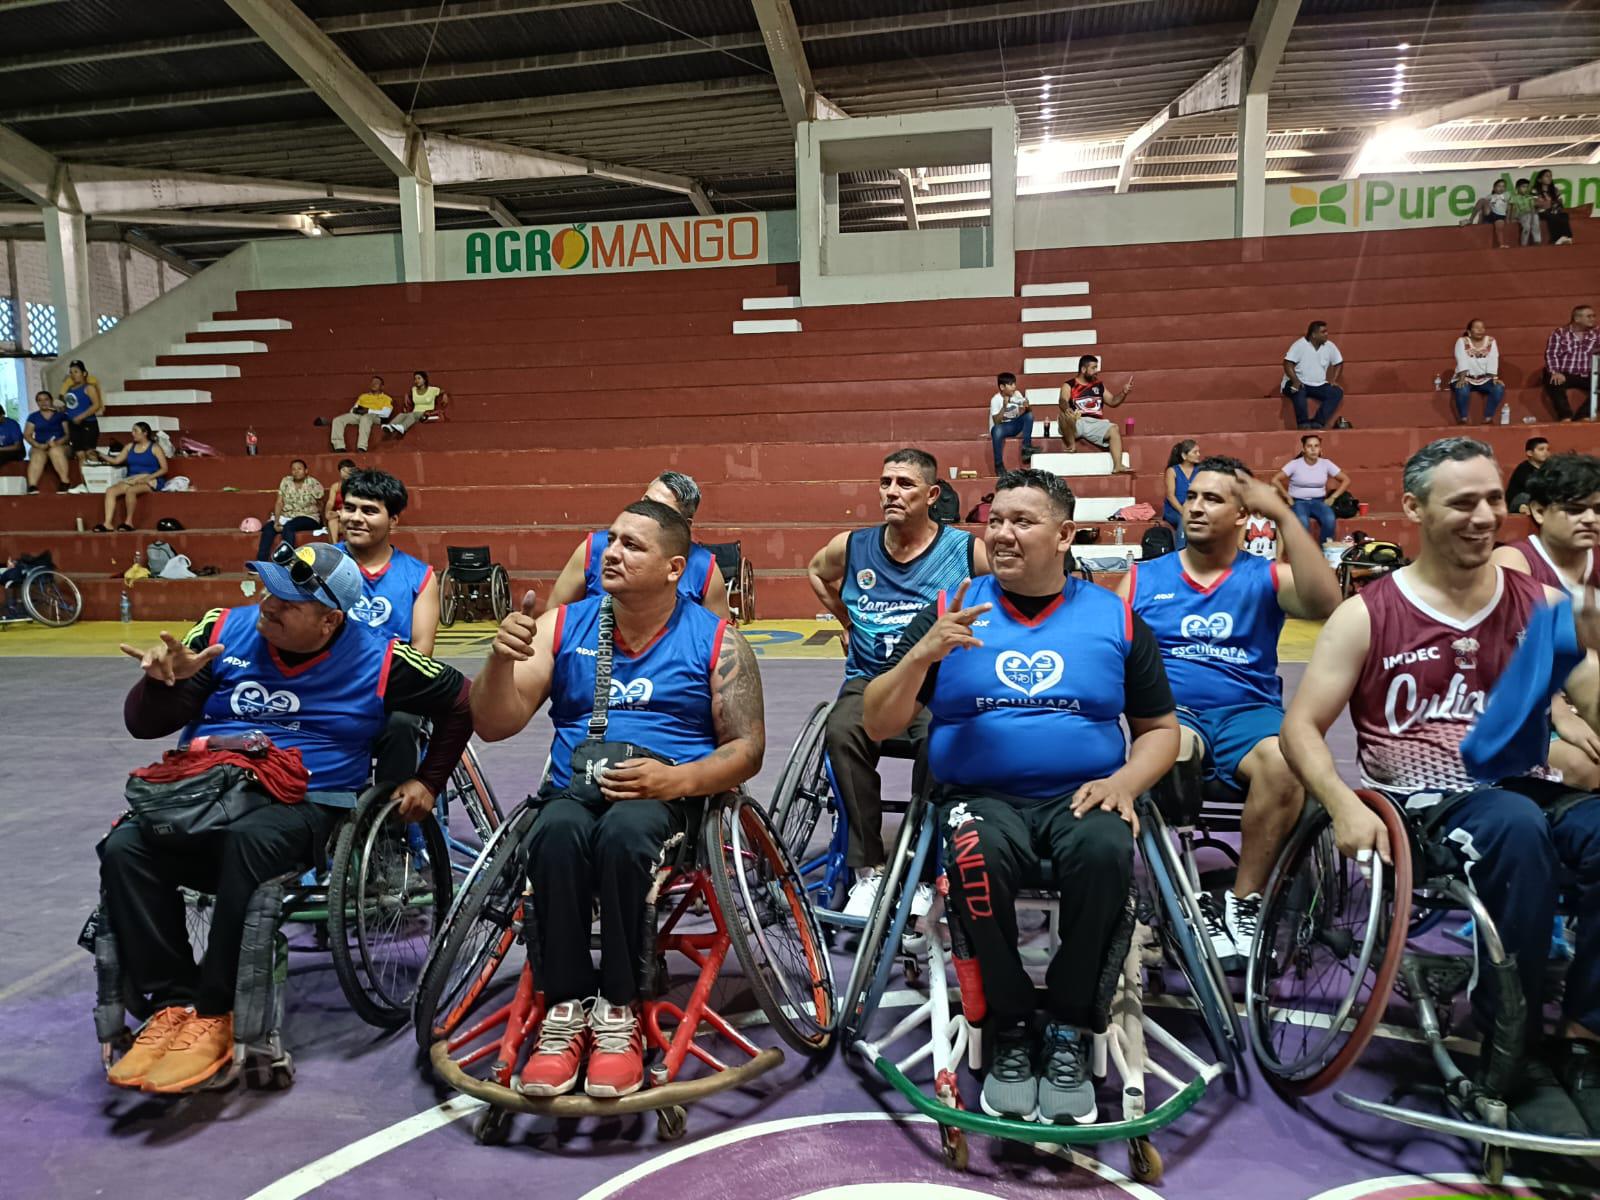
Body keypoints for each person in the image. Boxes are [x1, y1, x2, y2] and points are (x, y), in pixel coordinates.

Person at [1281, 436, 1600, 1136]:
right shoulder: (1367, 613)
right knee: (1514, 825)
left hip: (1524, 790)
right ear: (1414, 508)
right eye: (1463, 502)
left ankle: (1582, 1036)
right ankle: (1506, 1043)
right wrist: (1338, 802)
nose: (1485, 515)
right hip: (1421, 808)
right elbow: (1301, 726)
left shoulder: (1540, 604)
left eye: (1492, 498)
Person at [862, 468, 1179, 1124]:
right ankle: (1007, 1025)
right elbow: (876, 723)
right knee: (976, 855)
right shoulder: (950, 606)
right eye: (995, 519)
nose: (1001, 534)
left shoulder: (1114, 619)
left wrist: (1125, 782)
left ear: (1064, 535)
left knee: (1104, 851)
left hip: (1082, 794)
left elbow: (1160, 732)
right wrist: (920, 655)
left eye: (1021, 522)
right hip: (978, 797)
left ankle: (1068, 1024)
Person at [100, 543, 473, 1095]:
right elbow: (143, 724)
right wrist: (162, 685)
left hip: (310, 801)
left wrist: (427, 780)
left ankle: (214, 1010)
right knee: (126, 844)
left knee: (249, 841)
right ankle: (171, 1002)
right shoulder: (226, 630)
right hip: (210, 789)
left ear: (330, 620)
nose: (269, 606)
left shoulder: (384, 658)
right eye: (270, 591)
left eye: (289, 602)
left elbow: (462, 702)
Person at [471, 500, 765, 1099]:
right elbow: (493, 723)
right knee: (551, 834)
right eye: (610, 540)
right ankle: (566, 1009)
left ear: (673, 568)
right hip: (575, 790)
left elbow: (747, 749)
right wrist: (499, 663)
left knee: (625, 835)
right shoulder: (564, 625)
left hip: (668, 798)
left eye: (633, 545)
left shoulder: (718, 642)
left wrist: (674, 781)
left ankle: (620, 1009)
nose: (611, 552)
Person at [1119, 456, 1341, 970]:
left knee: (1285, 762)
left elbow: (1327, 601)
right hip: (1175, 715)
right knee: (1172, 752)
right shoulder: (1141, 579)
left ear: (1244, 516)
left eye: (1213, 499)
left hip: (1249, 714)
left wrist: (1286, 516)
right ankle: (1187, 892)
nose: (1195, 507)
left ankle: (1245, 902)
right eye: (1193, 496)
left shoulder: (1267, 576)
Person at [808, 448, 988, 918]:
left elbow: (1011, 588)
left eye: (905, 484)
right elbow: (815, 572)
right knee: (842, 731)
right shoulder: (852, 546)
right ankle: (870, 871)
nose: (891, 492)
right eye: (886, 482)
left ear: (931, 494)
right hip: (868, 679)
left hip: (936, 683)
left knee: (940, 742)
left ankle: (926, 871)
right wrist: (848, 621)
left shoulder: (964, 551)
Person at [1493, 453, 1600, 789]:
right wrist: (1560, 713)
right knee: (1587, 766)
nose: (1589, 519)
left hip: (1587, 696)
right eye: (1574, 509)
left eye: (1597, 509)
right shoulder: (1513, 561)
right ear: (1538, 511)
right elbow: (1506, 654)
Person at [335, 468, 441, 790]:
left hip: (388, 695)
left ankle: (391, 829)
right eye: (349, 507)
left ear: (393, 520)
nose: (355, 518)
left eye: (369, 511)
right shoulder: (318, 564)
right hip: (328, 689)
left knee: (404, 722)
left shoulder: (419, 577)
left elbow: (421, 653)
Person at [549, 471, 730, 620]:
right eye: (646, 502)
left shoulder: (704, 568)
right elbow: (553, 616)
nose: (646, 513)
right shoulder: (594, 548)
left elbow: (722, 642)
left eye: (661, 511)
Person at [1059, 356, 1132, 473]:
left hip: (1095, 423)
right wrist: (1067, 408)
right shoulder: (1069, 385)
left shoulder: (1099, 385)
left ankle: (1118, 465)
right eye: (1093, 368)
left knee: (1114, 429)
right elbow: (1062, 400)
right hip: (1076, 421)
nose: (1096, 371)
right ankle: (1072, 445)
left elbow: (1113, 401)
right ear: (1083, 369)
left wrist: (1123, 393)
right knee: (1063, 416)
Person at [1273, 434, 1350, 545]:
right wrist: (1287, 496)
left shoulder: (1326, 463)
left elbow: (1346, 480)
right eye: (1309, 446)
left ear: (1320, 449)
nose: (1313, 449)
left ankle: (1324, 552)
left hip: (1318, 501)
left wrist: (1333, 497)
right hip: (1299, 502)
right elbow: (1275, 479)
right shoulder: (1295, 464)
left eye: (1316, 446)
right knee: (1303, 522)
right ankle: (1306, 554)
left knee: (1329, 518)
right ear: (1303, 449)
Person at [94, 421, 167, 532]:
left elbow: (164, 469)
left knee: (131, 491)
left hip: (151, 479)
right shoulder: (129, 447)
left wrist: (148, 478)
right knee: (110, 491)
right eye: (132, 431)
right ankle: (107, 523)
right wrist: (100, 454)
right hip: (132, 479)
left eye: (135, 431)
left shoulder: (155, 448)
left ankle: (128, 522)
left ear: (145, 433)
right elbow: (116, 460)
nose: (132, 433)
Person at [255, 458, 325, 560]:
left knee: (289, 526)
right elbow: (279, 502)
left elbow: (321, 503)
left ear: (306, 471)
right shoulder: (286, 481)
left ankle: (287, 560)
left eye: (299, 469)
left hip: (308, 516)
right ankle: (261, 561)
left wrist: (322, 523)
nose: (296, 471)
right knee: (269, 528)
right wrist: (276, 521)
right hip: (287, 516)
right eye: (293, 469)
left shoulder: (313, 483)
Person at [1281, 321, 1345, 430]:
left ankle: (1318, 422)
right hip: (1297, 382)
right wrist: (1295, 381)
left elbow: (1339, 362)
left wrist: (1334, 380)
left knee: (1336, 392)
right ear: (1314, 335)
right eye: (1323, 332)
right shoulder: (1299, 345)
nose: (1326, 334)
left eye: (1326, 331)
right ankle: (1303, 423)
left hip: (1319, 385)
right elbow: (1287, 363)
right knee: (1298, 391)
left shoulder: (1330, 346)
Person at [1544, 304, 1597, 423]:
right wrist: (1555, 372)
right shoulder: (1560, 333)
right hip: (1565, 373)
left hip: (1587, 374)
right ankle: (1565, 416)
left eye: (1594, 316)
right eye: (1589, 316)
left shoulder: (1596, 334)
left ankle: (1583, 415)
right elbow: (1551, 354)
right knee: (1552, 378)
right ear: (1577, 319)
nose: (1593, 319)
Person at [1452, 318, 1503, 425]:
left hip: (1485, 378)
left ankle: (1488, 418)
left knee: (1498, 388)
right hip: (1466, 377)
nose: (1480, 330)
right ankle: (1463, 418)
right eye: (1477, 328)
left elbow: (1494, 358)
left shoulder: (1491, 341)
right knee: (1462, 389)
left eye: (1482, 327)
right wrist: (1462, 378)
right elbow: (1461, 359)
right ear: (1469, 332)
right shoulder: (1462, 341)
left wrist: (1494, 378)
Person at [23, 392, 71, 493]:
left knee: (55, 451)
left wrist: (57, 443)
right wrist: (38, 445)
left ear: (51, 400)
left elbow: (67, 435)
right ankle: (32, 486)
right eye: (40, 400)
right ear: (37, 402)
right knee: (37, 455)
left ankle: (65, 481)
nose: (43, 402)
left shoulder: (61, 415)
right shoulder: (33, 417)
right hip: (40, 446)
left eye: (46, 399)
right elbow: (27, 435)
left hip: (60, 445)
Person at [60, 359, 104, 469]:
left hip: (88, 424)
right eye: (71, 372)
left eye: (76, 371)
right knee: (80, 455)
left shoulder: (89, 387)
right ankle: (84, 482)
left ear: (84, 373)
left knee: (90, 453)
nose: (73, 375)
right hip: (74, 425)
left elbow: (96, 405)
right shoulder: (70, 389)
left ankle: (96, 480)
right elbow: (71, 406)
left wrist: (81, 417)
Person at [331, 376, 393, 453]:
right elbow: (352, 410)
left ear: (382, 386)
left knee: (365, 418)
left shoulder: (386, 398)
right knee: (338, 420)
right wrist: (356, 410)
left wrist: (368, 411)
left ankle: (362, 447)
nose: (374, 384)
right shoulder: (363, 396)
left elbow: (386, 414)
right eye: (372, 382)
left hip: (375, 416)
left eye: (376, 383)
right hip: (359, 415)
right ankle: (339, 446)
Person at [988, 371, 1033, 474]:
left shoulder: (1017, 394)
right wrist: (1004, 406)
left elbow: (1028, 412)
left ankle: (1026, 449)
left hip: (1014, 425)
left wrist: (1027, 406)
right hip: (1001, 427)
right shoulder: (995, 399)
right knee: (996, 430)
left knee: (1029, 416)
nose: (1014, 387)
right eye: (1011, 384)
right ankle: (998, 464)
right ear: (1002, 387)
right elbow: (996, 422)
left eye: (1014, 384)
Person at [385, 371, 448, 438]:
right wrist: (406, 395)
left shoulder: (432, 390)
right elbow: (409, 393)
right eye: (415, 379)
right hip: (415, 414)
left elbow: (443, 391)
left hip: (426, 414)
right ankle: (390, 427)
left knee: (412, 415)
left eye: (419, 378)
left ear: (424, 380)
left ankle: (403, 427)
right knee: (402, 414)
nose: (416, 380)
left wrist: (445, 395)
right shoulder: (413, 389)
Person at [1163, 440, 1201, 548]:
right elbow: (1170, 496)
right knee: (1184, 519)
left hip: (1194, 508)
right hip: (1175, 510)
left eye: (1199, 452)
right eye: (1195, 452)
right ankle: (1180, 554)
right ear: (1184, 455)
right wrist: (1182, 510)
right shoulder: (1172, 471)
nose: (1198, 455)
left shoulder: (1200, 471)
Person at [1464, 179, 1514, 248]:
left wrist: (1508, 219)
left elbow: (1509, 207)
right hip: (1491, 214)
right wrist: (1480, 221)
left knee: (1499, 228)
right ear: (1494, 188)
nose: (1501, 188)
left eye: (1503, 186)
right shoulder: (1490, 196)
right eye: (1499, 186)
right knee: (1482, 200)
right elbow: (1483, 207)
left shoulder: (1507, 194)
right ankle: (1470, 220)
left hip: (1500, 216)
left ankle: (1501, 244)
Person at [1508, 436, 1550, 514]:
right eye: (1541, 449)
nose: (1546, 452)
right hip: (1522, 500)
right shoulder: (1523, 469)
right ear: (1529, 453)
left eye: (1547, 449)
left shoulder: (1549, 468)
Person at [1534, 168, 1574, 245]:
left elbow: (1560, 203)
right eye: (1546, 176)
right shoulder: (1535, 190)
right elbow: (1534, 204)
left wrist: (1554, 206)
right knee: (1552, 216)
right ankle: (1555, 239)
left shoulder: (1555, 190)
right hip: (1540, 212)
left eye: (1550, 176)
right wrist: (1547, 204)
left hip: (1553, 211)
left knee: (1564, 215)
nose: (1549, 178)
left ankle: (1567, 237)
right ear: (1540, 179)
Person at [324, 458, 357, 540]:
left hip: (351, 514)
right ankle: (335, 547)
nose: (346, 473)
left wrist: (339, 513)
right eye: (343, 470)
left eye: (348, 470)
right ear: (339, 472)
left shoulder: (357, 485)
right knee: (332, 521)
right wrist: (327, 512)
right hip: (339, 517)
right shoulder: (335, 486)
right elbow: (330, 502)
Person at [1511, 178, 1542, 247]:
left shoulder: (1529, 197)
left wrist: (1534, 213)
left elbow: (1532, 207)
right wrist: (1511, 218)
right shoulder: (1514, 197)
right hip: (1520, 215)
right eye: (1523, 187)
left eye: (1527, 187)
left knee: (1535, 217)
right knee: (1527, 226)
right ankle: (1524, 243)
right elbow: (1512, 209)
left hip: (1530, 215)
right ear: (1517, 188)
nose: (1525, 189)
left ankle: (1537, 240)